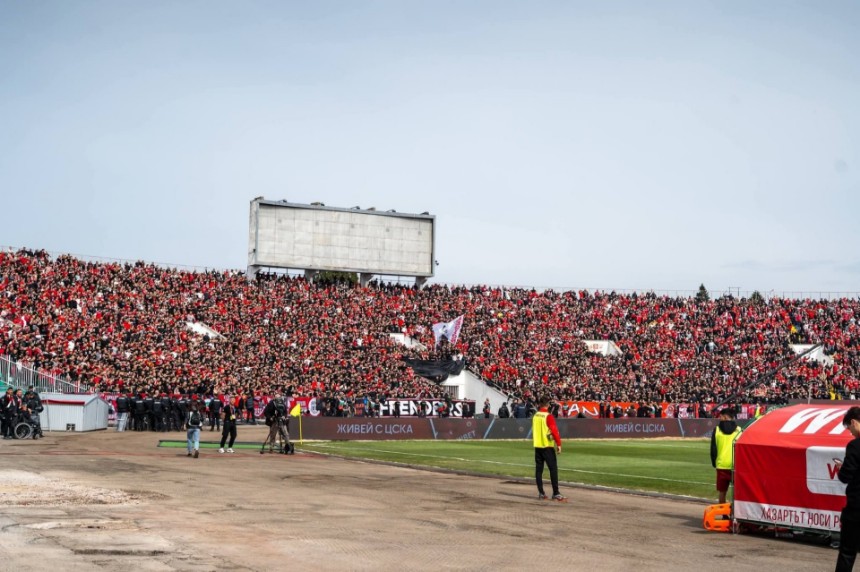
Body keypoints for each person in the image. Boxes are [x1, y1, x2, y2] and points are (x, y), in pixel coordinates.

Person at [835, 406, 860, 571]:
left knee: (847, 553)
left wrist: (840, 469)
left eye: (849, 428)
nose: (850, 432)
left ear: (853, 422)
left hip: (857, 509)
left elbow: (845, 476)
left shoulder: (855, 446)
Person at [533, 395, 565, 501]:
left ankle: (541, 493)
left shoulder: (536, 415)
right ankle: (556, 493)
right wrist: (559, 444)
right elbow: (554, 431)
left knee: (539, 470)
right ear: (548, 405)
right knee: (553, 469)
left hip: (537, 446)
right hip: (547, 446)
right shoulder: (548, 416)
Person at [710, 408, 742, 504]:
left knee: (722, 492)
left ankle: (724, 515)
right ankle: (736, 514)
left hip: (721, 465)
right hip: (735, 465)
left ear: (725, 416)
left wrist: (714, 463)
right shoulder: (739, 430)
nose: (719, 418)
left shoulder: (717, 430)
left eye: (720, 416)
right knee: (737, 493)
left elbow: (713, 449)